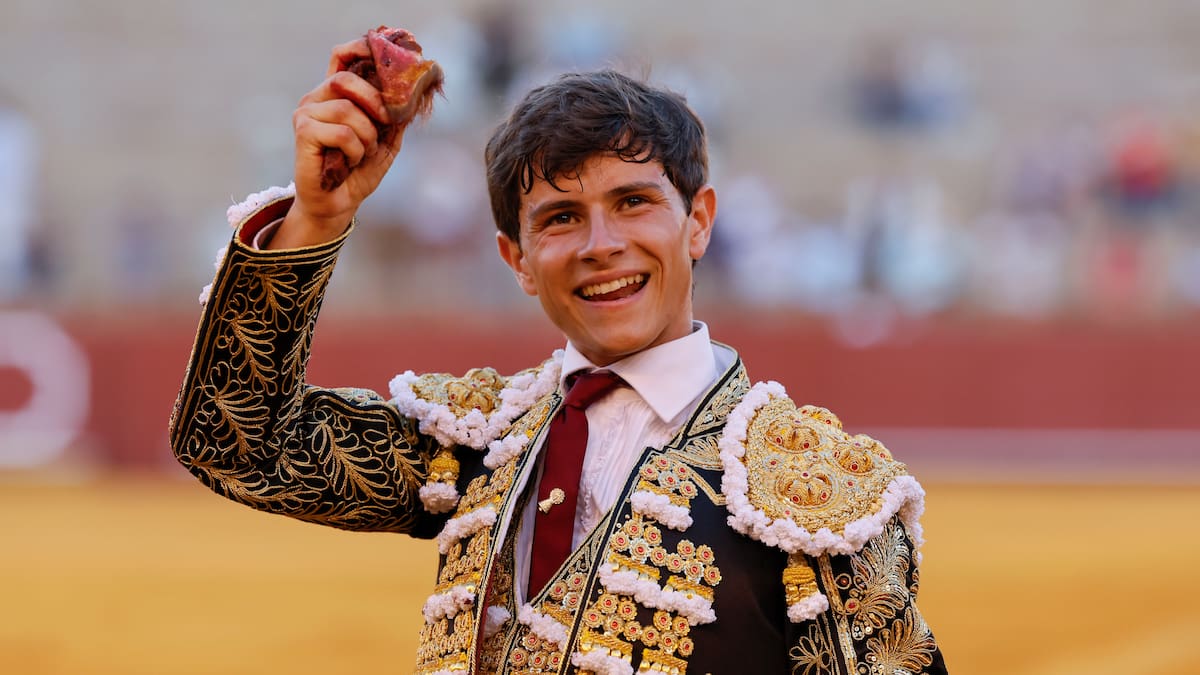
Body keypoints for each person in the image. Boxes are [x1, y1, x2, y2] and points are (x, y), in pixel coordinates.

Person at [170, 35, 948, 675]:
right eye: (561, 218)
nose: (602, 245)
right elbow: (236, 439)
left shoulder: (818, 496)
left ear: (699, 223)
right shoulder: (477, 443)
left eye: (633, 202)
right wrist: (316, 214)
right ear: (517, 258)